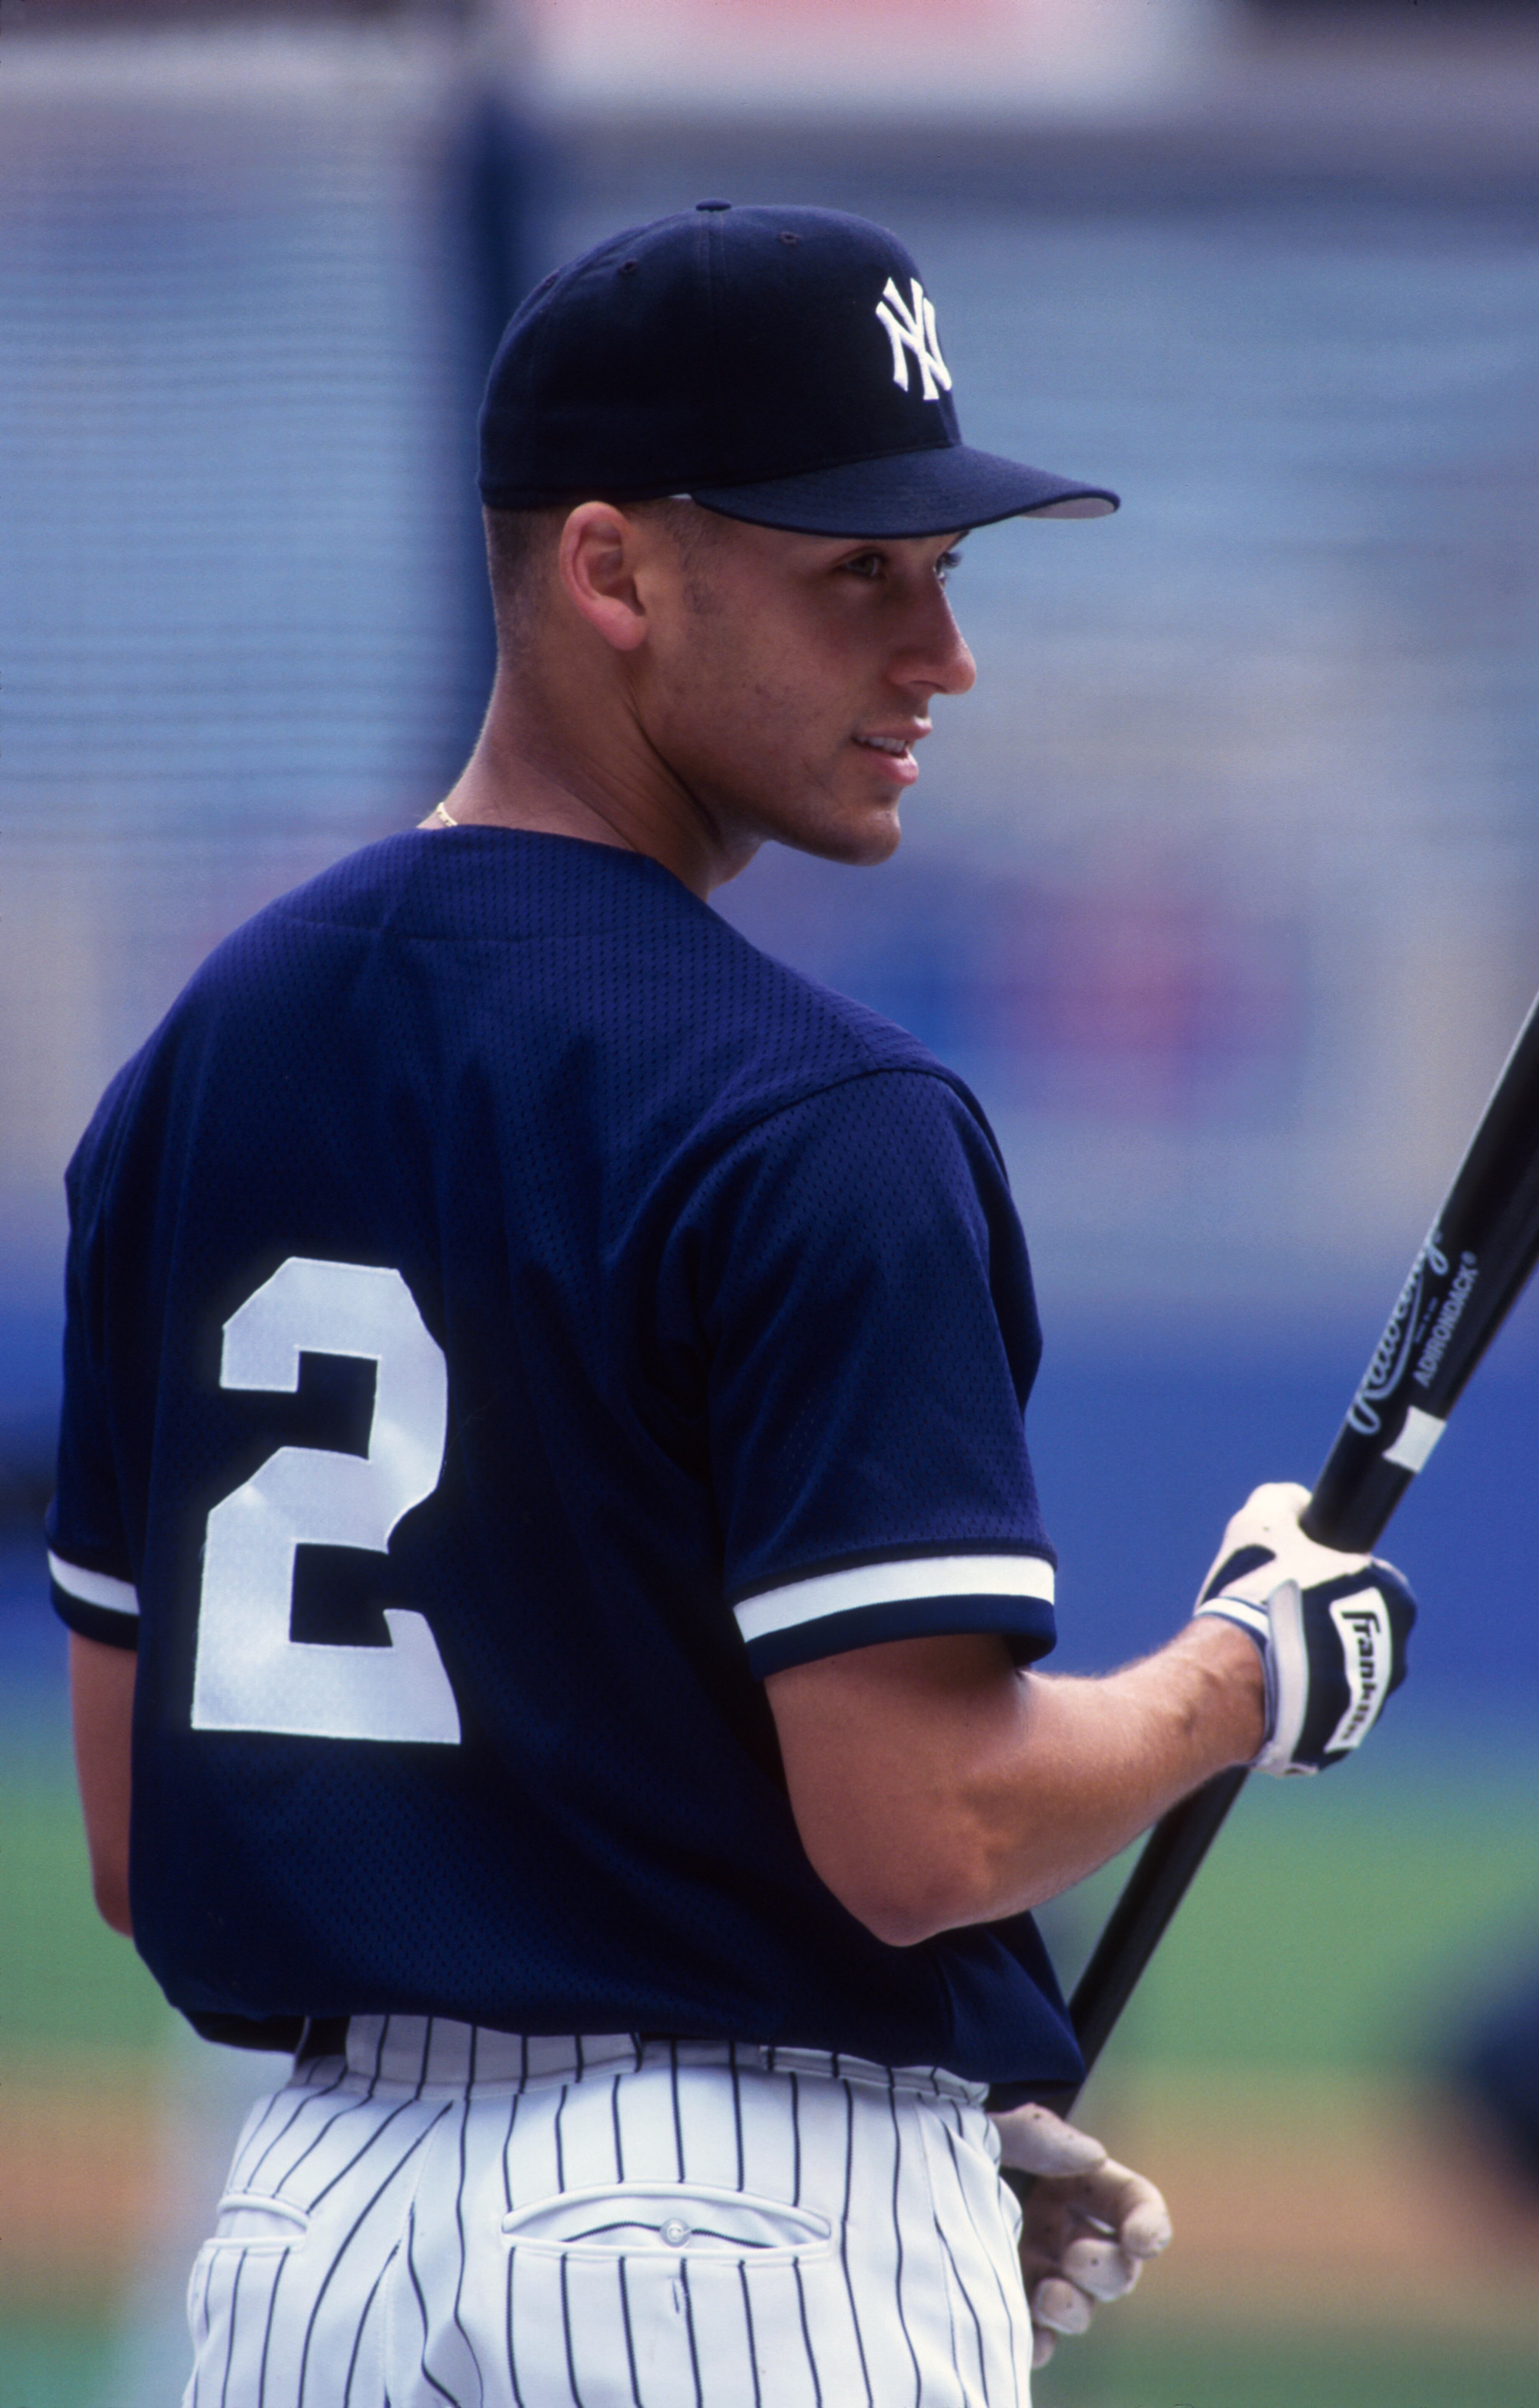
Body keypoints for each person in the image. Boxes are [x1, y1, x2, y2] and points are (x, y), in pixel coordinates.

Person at [51, 202, 1416, 2405]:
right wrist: (1249, 1672)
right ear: (612, 574)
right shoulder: (823, 1113)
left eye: (946, 573)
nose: (943, 655)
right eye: (857, 571)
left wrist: (928, 2080)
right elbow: (925, 1837)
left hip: (305, 2249)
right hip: (738, 2260)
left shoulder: (205, 1058)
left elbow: (143, 1846)